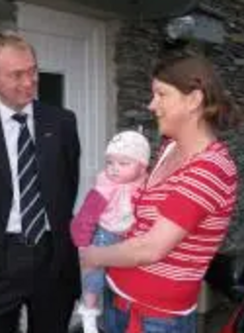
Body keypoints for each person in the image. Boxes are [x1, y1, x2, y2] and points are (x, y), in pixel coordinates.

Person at [79, 51, 243, 333]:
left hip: (156, 320)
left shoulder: (211, 168)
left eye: (161, 94)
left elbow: (150, 247)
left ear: (193, 100)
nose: (151, 104)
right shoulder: (169, 148)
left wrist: (91, 256)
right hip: (118, 299)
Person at [0, 31, 81, 333]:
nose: (29, 82)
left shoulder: (62, 122)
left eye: (33, 70)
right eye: (17, 74)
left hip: (52, 256)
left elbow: (67, 184)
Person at [70, 130, 150, 333]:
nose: (114, 169)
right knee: (94, 276)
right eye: (110, 162)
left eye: (123, 164)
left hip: (130, 239)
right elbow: (86, 216)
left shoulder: (146, 187)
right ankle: (89, 313)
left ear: (142, 166)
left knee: (124, 281)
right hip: (106, 234)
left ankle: (127, 312)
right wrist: (82, 244)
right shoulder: (104, 187)